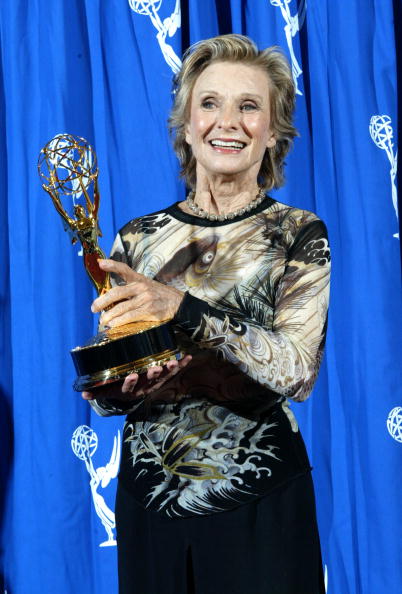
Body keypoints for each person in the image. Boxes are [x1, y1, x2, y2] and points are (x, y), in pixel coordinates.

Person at [83, 34, 330, 594]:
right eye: (210, 103)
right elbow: (112, 388)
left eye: (250, 106)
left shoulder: (298, 233)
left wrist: (181, 307)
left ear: (273, 131)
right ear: (188, 124)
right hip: (150, 506)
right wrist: (114, 388)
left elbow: (297, 370)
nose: (228, 122)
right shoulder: (137, 238)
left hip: (260, 505)